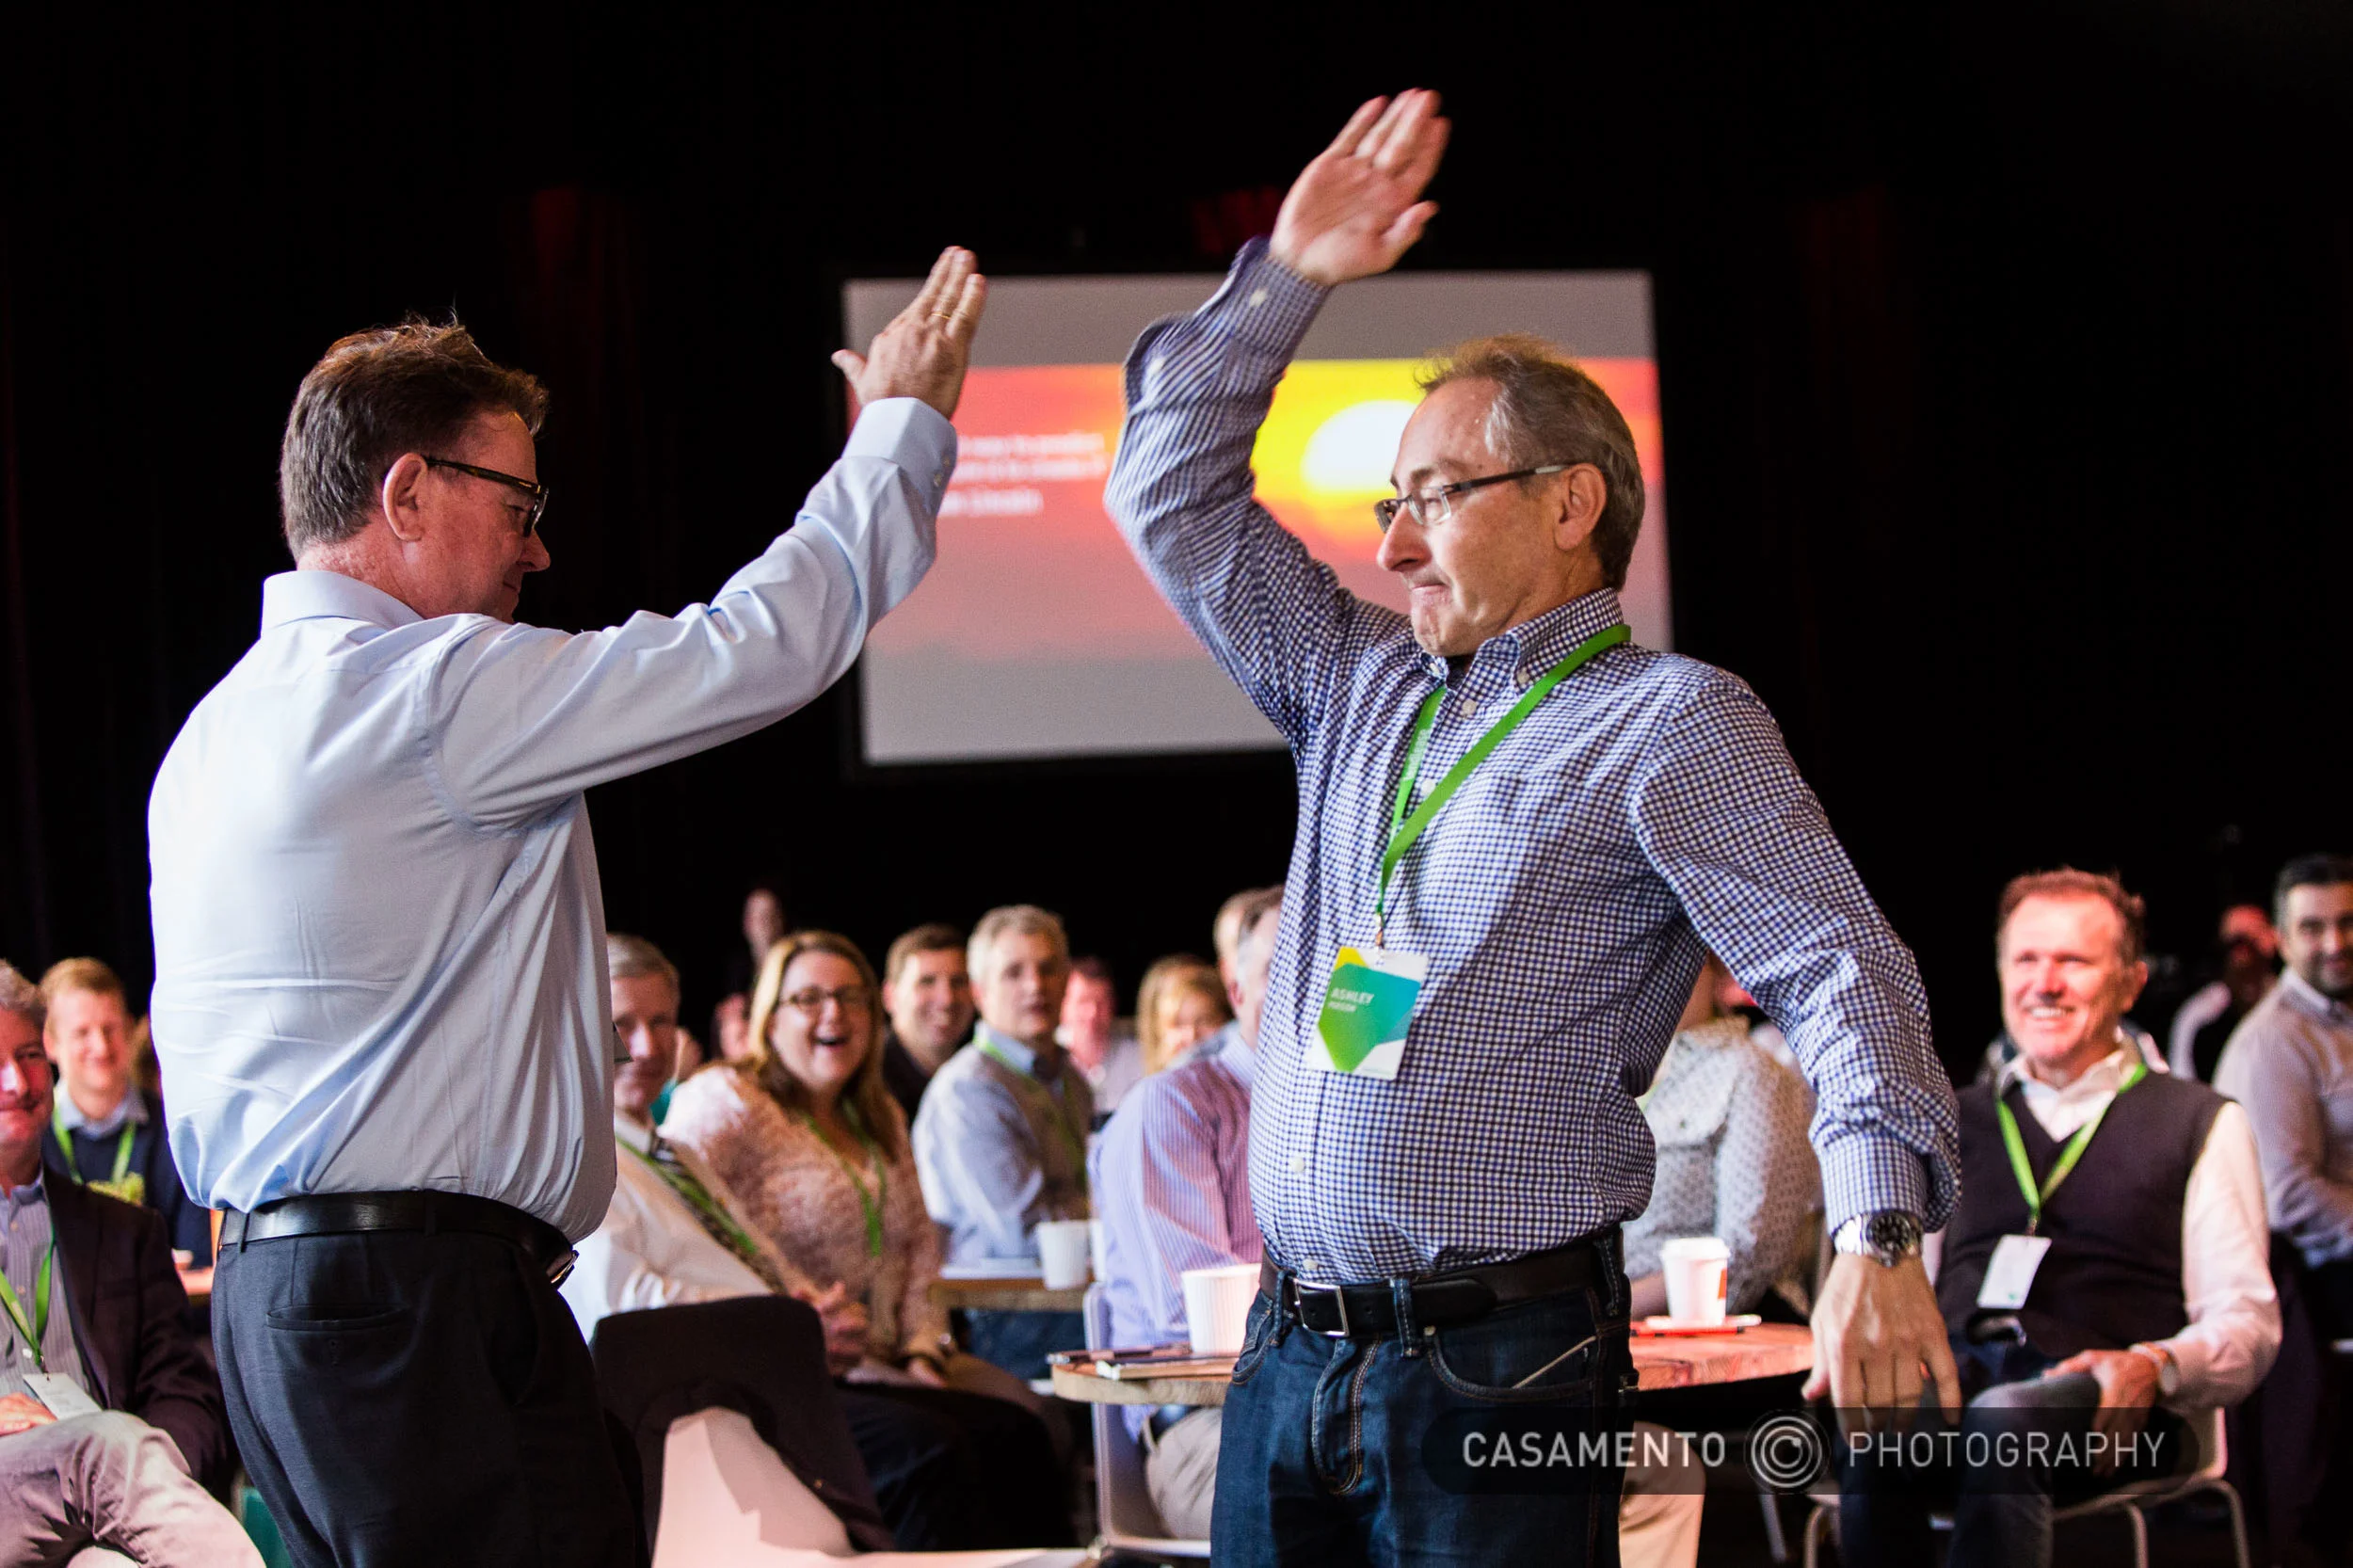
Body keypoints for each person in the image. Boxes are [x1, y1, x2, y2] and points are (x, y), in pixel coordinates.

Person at [1103, 90, 1961, 1567]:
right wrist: (1288, 276)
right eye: (1390, 503)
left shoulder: (1672, 721)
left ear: (1571, 504)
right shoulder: (1355, 681)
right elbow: (1163, 491)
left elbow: (1837, 967)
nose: (1390, 545)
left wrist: (1878, 1232)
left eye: (1433, 498)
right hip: (1290, 1353)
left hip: (1497, 1364)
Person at [145, 247, 988, 1567]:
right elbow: (760, 645)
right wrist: (899, 429)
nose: (538, 545)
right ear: (407, 493)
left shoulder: (208, 735)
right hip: (420, 1309)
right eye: (518, 500)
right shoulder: (429, 692)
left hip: (279, 1309)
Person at [565, 935, 1064, 1550]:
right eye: (622, 1025)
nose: (644, 1047)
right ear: (770, 1016)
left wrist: (897, 1340)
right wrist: (791, 1327)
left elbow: (784, 1255)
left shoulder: (679, 1154)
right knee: (936, 1449)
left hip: (834, 1354)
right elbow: (626, 1311)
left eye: (661, 1021)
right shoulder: (624, 1149)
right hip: (731, 1390)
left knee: (1017, 1431)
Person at [1838, 870, 2279, 1567]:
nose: (2045, 984)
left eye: (2073, 961)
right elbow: (1904, 1282)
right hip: (1961, 1385)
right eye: (2026, 960)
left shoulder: (2200, 1121)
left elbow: (2248, 1322)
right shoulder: (1954, 1117)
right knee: (1874, 1429)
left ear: (2130, 984)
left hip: (2114, 1405)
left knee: (2006, 1421)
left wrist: (2156, 1365)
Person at [0, 963, 257, 1566]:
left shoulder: (124, 1233)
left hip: (103, 1513)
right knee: (100, 1444)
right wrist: (120, 1453)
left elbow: (185, 1393)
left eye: (28, 1055)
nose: (16, 1080)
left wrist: (145, 1469)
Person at [1091, 887, 1281, 1538]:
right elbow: (1201, 1319)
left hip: (1343, 1407)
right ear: (1237, 989)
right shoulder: (1177, 1104)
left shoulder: (1360, 1105)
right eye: (1283, 968)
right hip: (1210, 1424)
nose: (1310, 988)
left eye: (1330, 968)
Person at [912, 904, 1091, 1378]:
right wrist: (1113, 1227)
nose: (1035, 986)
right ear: (979, 991)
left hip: (1072, 1295)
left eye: (1048, 968)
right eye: (1014, 972)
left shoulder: (1070, 1079)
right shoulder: (970, 1090)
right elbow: (1026, 1238)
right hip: (1007, 1316)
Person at [1624, 953, 1820, 1321]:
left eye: (1671, 953)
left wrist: (1607, 1314)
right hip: (1612, 1330)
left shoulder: (1751, 1073)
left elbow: (1746, 1259)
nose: (1648, 971)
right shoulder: (1604, 1078)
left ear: (1714, 966)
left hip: (1718, 1331)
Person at [2215, 854, 2353, 1338]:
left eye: (2347, 922)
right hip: (2327, 1290)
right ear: (2281, 939)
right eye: (2313, 928)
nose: (2336, 943)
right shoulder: (2272, 1041)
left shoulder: (2341, 1018)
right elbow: (2290, 1196)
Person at [38, 960, 211, 1265]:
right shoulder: (31, 1134)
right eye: (82, 1033)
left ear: (129, 1029)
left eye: (110, 1029)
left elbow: (199, 1262)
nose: (101, 1047)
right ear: (49, 1043)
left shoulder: (175, 1126)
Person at [877, 923, 975, 1125]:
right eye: (927, 982)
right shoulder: (868, 1084)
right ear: (890, 997)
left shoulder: (981, 1076)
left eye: (959, 982)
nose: (947, 999)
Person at [2169, 904, 2279, 1081]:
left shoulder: (2292, 1005)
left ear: (2274, 939)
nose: (2244, 953)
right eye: (2235, 942)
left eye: (2253, 939)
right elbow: (2183, 1083)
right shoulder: (2199, 1015)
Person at [1134, 955, 1231, 1077]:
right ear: (1157, 1032)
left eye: (1205, 1021)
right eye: (1178, 1024)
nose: (1192, 1035)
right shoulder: (1147, 1085)